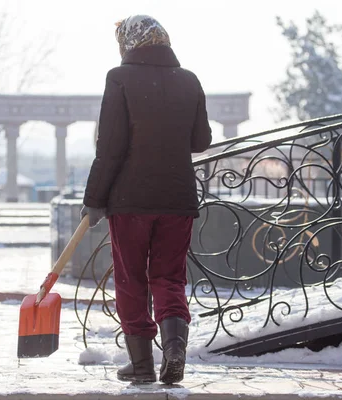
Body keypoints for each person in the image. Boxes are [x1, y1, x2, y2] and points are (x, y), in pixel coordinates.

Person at [81, 14, 212, 384]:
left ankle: (141, 365)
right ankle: (174, 348)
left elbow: (110, 147)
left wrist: (94, 198)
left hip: (131, 201)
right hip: (177, 198)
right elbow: (201, 142)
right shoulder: (189, 80)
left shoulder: (119, 79)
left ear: (128, 43)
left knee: (131, 279)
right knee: (169, 277)